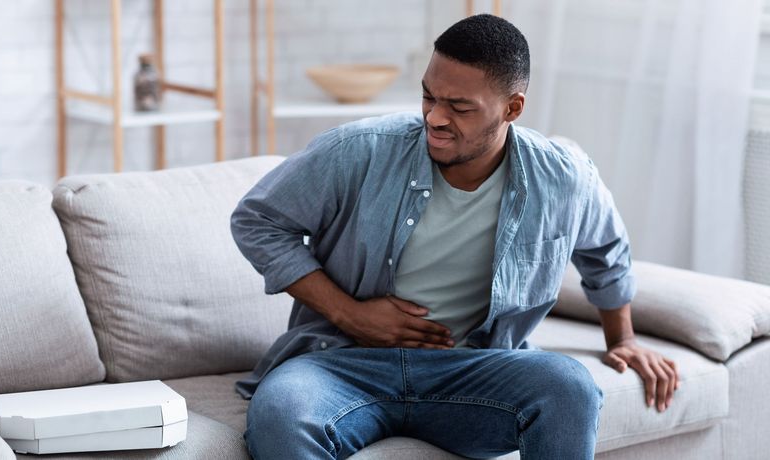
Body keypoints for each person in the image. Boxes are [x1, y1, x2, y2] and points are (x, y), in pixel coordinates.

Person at [231, 13, 679, 460]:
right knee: (282, 411)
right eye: (429, 96)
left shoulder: (563, 178)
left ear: (512, 108)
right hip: (342, 364)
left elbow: (606, 251)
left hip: (475, 370)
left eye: (460, 107)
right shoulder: (358, 150)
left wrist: (623, 340)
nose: (435, 117)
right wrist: (350, 314)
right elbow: (257, 220)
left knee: (568, 386)